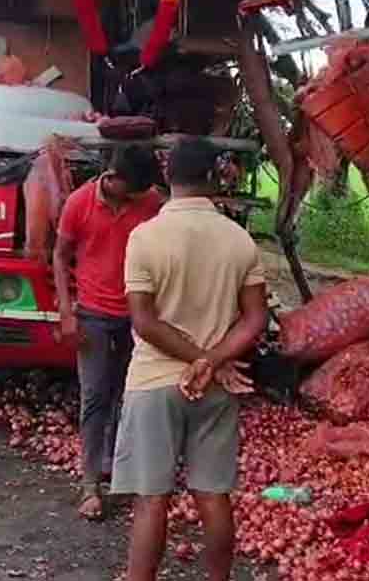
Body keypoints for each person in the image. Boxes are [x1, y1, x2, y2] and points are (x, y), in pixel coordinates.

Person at [112, 137, 268, 581]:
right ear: (215, 176)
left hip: (154, 382)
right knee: (213, 496)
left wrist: (200, 360)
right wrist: (213, 362)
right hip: (217, 387)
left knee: (151, 500)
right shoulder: (238, 240)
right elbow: (255, 318)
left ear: (167, 175)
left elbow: (144, 322)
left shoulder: (145, 237)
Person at [53, 144, 163, 519]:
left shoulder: (150, 203)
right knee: (95, 398)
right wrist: (66, 312)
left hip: (138, 318)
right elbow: (60, 255)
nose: (138, 197)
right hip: (93, 316)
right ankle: (90, 485)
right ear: (113, 178)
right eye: (133, 189)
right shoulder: (78, 204)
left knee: (127, 396)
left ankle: (117, 470)